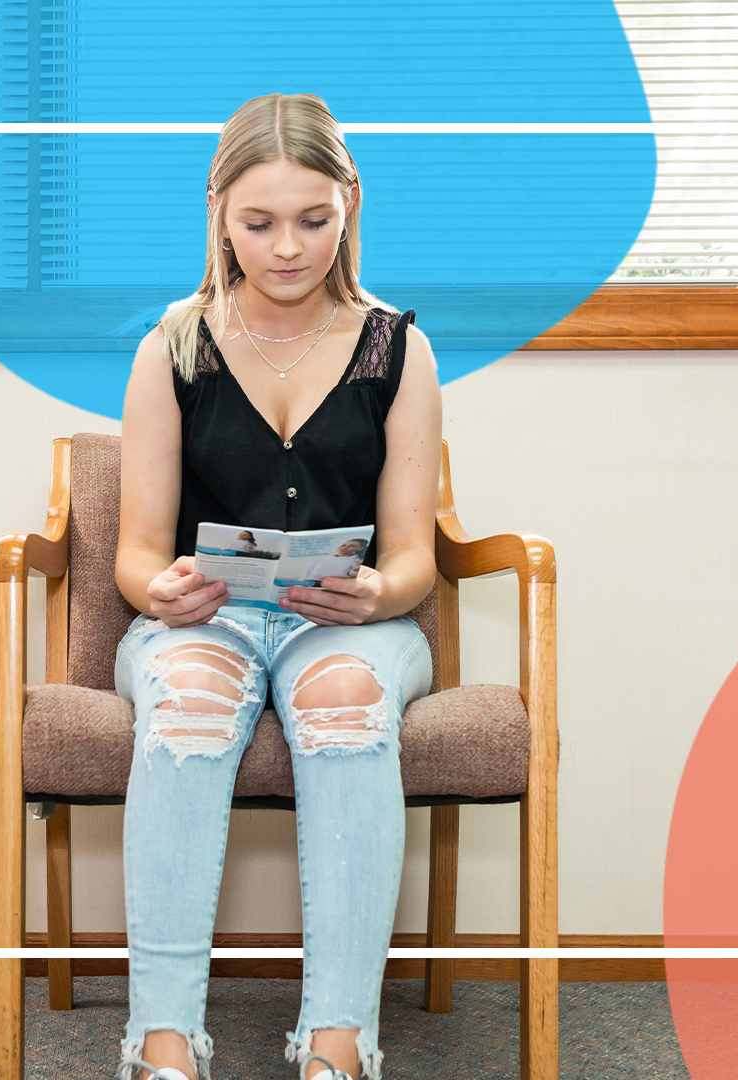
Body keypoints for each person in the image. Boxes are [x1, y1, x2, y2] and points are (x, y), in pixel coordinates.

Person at [113, 92, 441, 1080]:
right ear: (219, 211)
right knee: (193, 703)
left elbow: (417, 554)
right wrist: (160, 589)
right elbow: (133, 552)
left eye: (314, 221)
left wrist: (377, 596)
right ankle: (164, 1041)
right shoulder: (173, 346)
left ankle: (338, 1042)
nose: (288, 247)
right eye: (259, 223)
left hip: (352, 626)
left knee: (344, 699)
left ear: (350, 207)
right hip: (204, 624)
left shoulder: (397, 349)